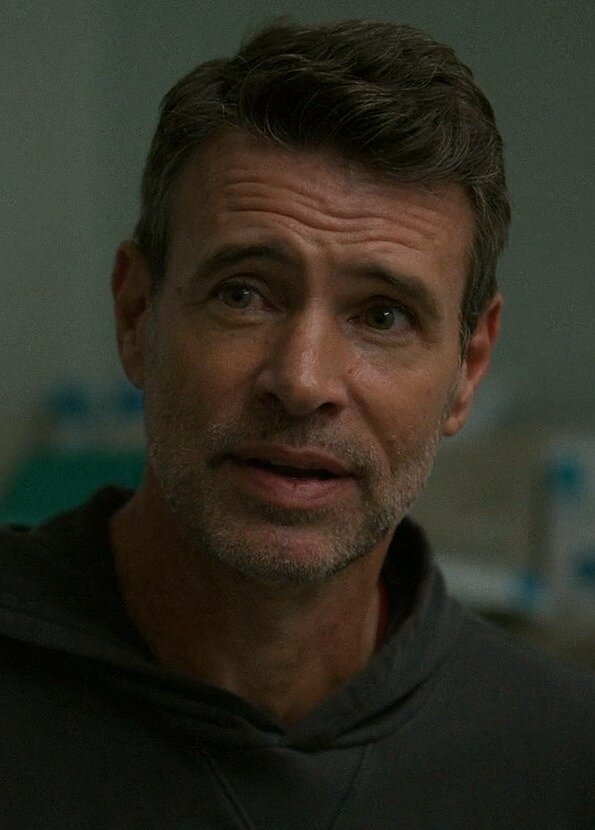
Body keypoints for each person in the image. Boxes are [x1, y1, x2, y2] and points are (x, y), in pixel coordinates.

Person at [1, 18, 592, 829]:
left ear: (468, 368)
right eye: (244, 293)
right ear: (137, 315)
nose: (303, 380)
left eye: (382, 315)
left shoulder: (559, 762)